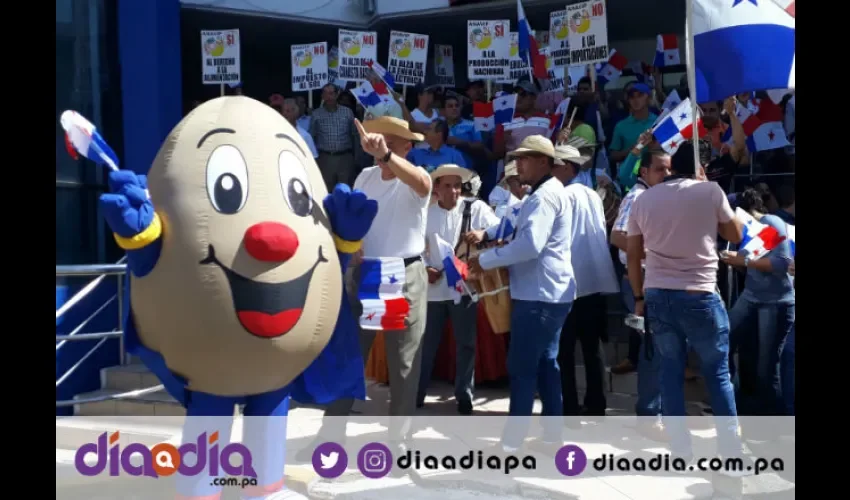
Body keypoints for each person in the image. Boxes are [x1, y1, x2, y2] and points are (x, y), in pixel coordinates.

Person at [297, 116, 432, 464]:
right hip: (369, 273)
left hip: (404, 275)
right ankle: (330, 437)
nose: (377, 143)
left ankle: (398, 443)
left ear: (406, 146)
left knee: (402, 364)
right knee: (349, 357)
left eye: (388, 140)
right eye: (377, 139)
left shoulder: (418, 179)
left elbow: (419, 182)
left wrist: (387, 157)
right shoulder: (364, 177)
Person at [627, 140, 750, 471]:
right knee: (718, 373)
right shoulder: (709, 191)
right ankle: (730, 453)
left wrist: (638, 297)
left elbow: (633, 253)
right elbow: (736, 234)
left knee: (669, 372)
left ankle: (681, 451)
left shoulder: (643, 198)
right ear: (700, 167)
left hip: (657, 295)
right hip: (699, 294)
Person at [466, 135, 575, 455]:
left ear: (544, 162)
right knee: (545, 365)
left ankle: (513, 443)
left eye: (525, 158)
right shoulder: (541, 193)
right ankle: (552, 436)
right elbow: (513, 223)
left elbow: (530, 246)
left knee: (523, 367)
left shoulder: (542, 198)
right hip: (549, 293)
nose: (518, 164)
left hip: (538, 295)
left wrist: (484, 259)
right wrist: (489, 233)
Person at [418, 165, 500, 414]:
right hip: (433, 289)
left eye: (457, 186)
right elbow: (413, 245)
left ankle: (464, 394)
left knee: (466, 343)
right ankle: (416, 393)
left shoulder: (476, 208)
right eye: (447, 186)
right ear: (437, 189)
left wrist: (482, 233)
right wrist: (424, 269)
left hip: (464, 288)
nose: (454, 191)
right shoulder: (426, 213)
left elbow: (498, 230)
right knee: (425, 344)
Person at [551, 144, 620, 418]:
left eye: (554, 164)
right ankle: (597, 404)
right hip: (595, 282)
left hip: (569, 282)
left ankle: (569, 407)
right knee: (593, 348)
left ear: (567, 167)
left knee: (564, 352)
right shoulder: (592, 194)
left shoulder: (562, 195)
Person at [609, 147, 671, 439]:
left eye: (669, 169)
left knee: (659, 349)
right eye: (660, 169)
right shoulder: (637, 196)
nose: (666, 174)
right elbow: (617, 236)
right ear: (643, 172)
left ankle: (656, 411)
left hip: (652, 279)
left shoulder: (658, 196)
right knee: (653, 350)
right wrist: (654, 252)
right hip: (640, 280)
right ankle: (649, 415)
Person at [720, 188, 794, 416]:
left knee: (767, 367)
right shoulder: (752, 229)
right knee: (724, 340)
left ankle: (775, 421)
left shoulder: (770, 223)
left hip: (775, 303)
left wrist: (741, 260)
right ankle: (736, 402)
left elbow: (781, 263)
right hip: (752, 297)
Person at [310, 83, 357, 191]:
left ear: (337, 95)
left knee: (346, 191)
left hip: (345, 159)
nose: (328, 97)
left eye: (331, 93)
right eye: (325, 94)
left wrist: (356, 158)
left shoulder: (347, 112)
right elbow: (312, 137)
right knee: (326, 191)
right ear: (322, 96)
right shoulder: (316, 114)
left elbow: (355, 135)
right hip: (325, 159)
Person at [609, 83, 657, 168]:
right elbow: (613, 155)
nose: (636, 100)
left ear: (648, 98)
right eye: (632, 97)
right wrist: (630, 151)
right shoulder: (621, 126)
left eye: (640, 95)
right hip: (630, 174)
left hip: (654, 173)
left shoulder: (658, 122)